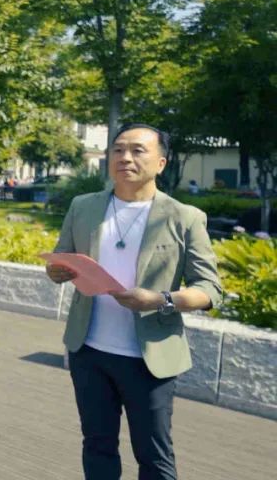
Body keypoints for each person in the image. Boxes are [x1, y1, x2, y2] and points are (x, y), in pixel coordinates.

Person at [46, 124, 222, 480]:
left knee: (154, 455)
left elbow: (210, 290)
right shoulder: (83, 207)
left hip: (149, 358)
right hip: (89, 352)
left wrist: (160, 299)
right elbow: (61, 257)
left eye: (137, 150)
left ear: (161, 162)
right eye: (118, 149)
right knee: (97, 445)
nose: (125, 157)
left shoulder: (183, 217)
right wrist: (56, 270)